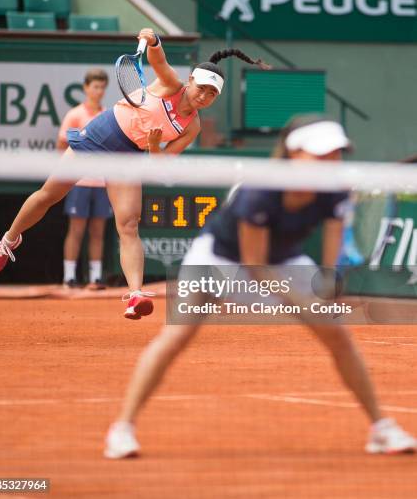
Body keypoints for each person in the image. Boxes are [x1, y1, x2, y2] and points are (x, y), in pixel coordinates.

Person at [104, 114, 416, 457]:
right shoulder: (259, 192)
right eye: (321, 155)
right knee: (177, 335)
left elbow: (329, 256)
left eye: (336, 154)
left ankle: (380, 429)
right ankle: (123, 428)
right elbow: (256, 268)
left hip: (285, 260)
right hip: (219, 261)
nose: (331, 162)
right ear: (293, 154)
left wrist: (326, 285)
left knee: (338, 336)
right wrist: (302, 301)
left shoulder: (334, 190)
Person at [0, 28, 269, 320]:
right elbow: (158, 60)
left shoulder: (192, 126)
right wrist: (153, 39)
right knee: (49, 195)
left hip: (128, 157)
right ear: (190, 81)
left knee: (129, 225)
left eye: (212, 94)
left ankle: (135, 294)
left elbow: (160, 162)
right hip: (99, 136)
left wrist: (153, 146)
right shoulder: (171, 84)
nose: (205, 96)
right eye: (202, 88)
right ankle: (9, 240)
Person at [57, 68, 112, 289]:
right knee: (76, 230)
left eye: (101, 87)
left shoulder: (108, 115)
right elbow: (61, 145)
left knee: (98, 232)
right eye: (94, 86)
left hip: (102, 183)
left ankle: (95, 278)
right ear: (86, 88)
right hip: (79, 183)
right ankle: (69, 277)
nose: (98, 91)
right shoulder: (75, 115)